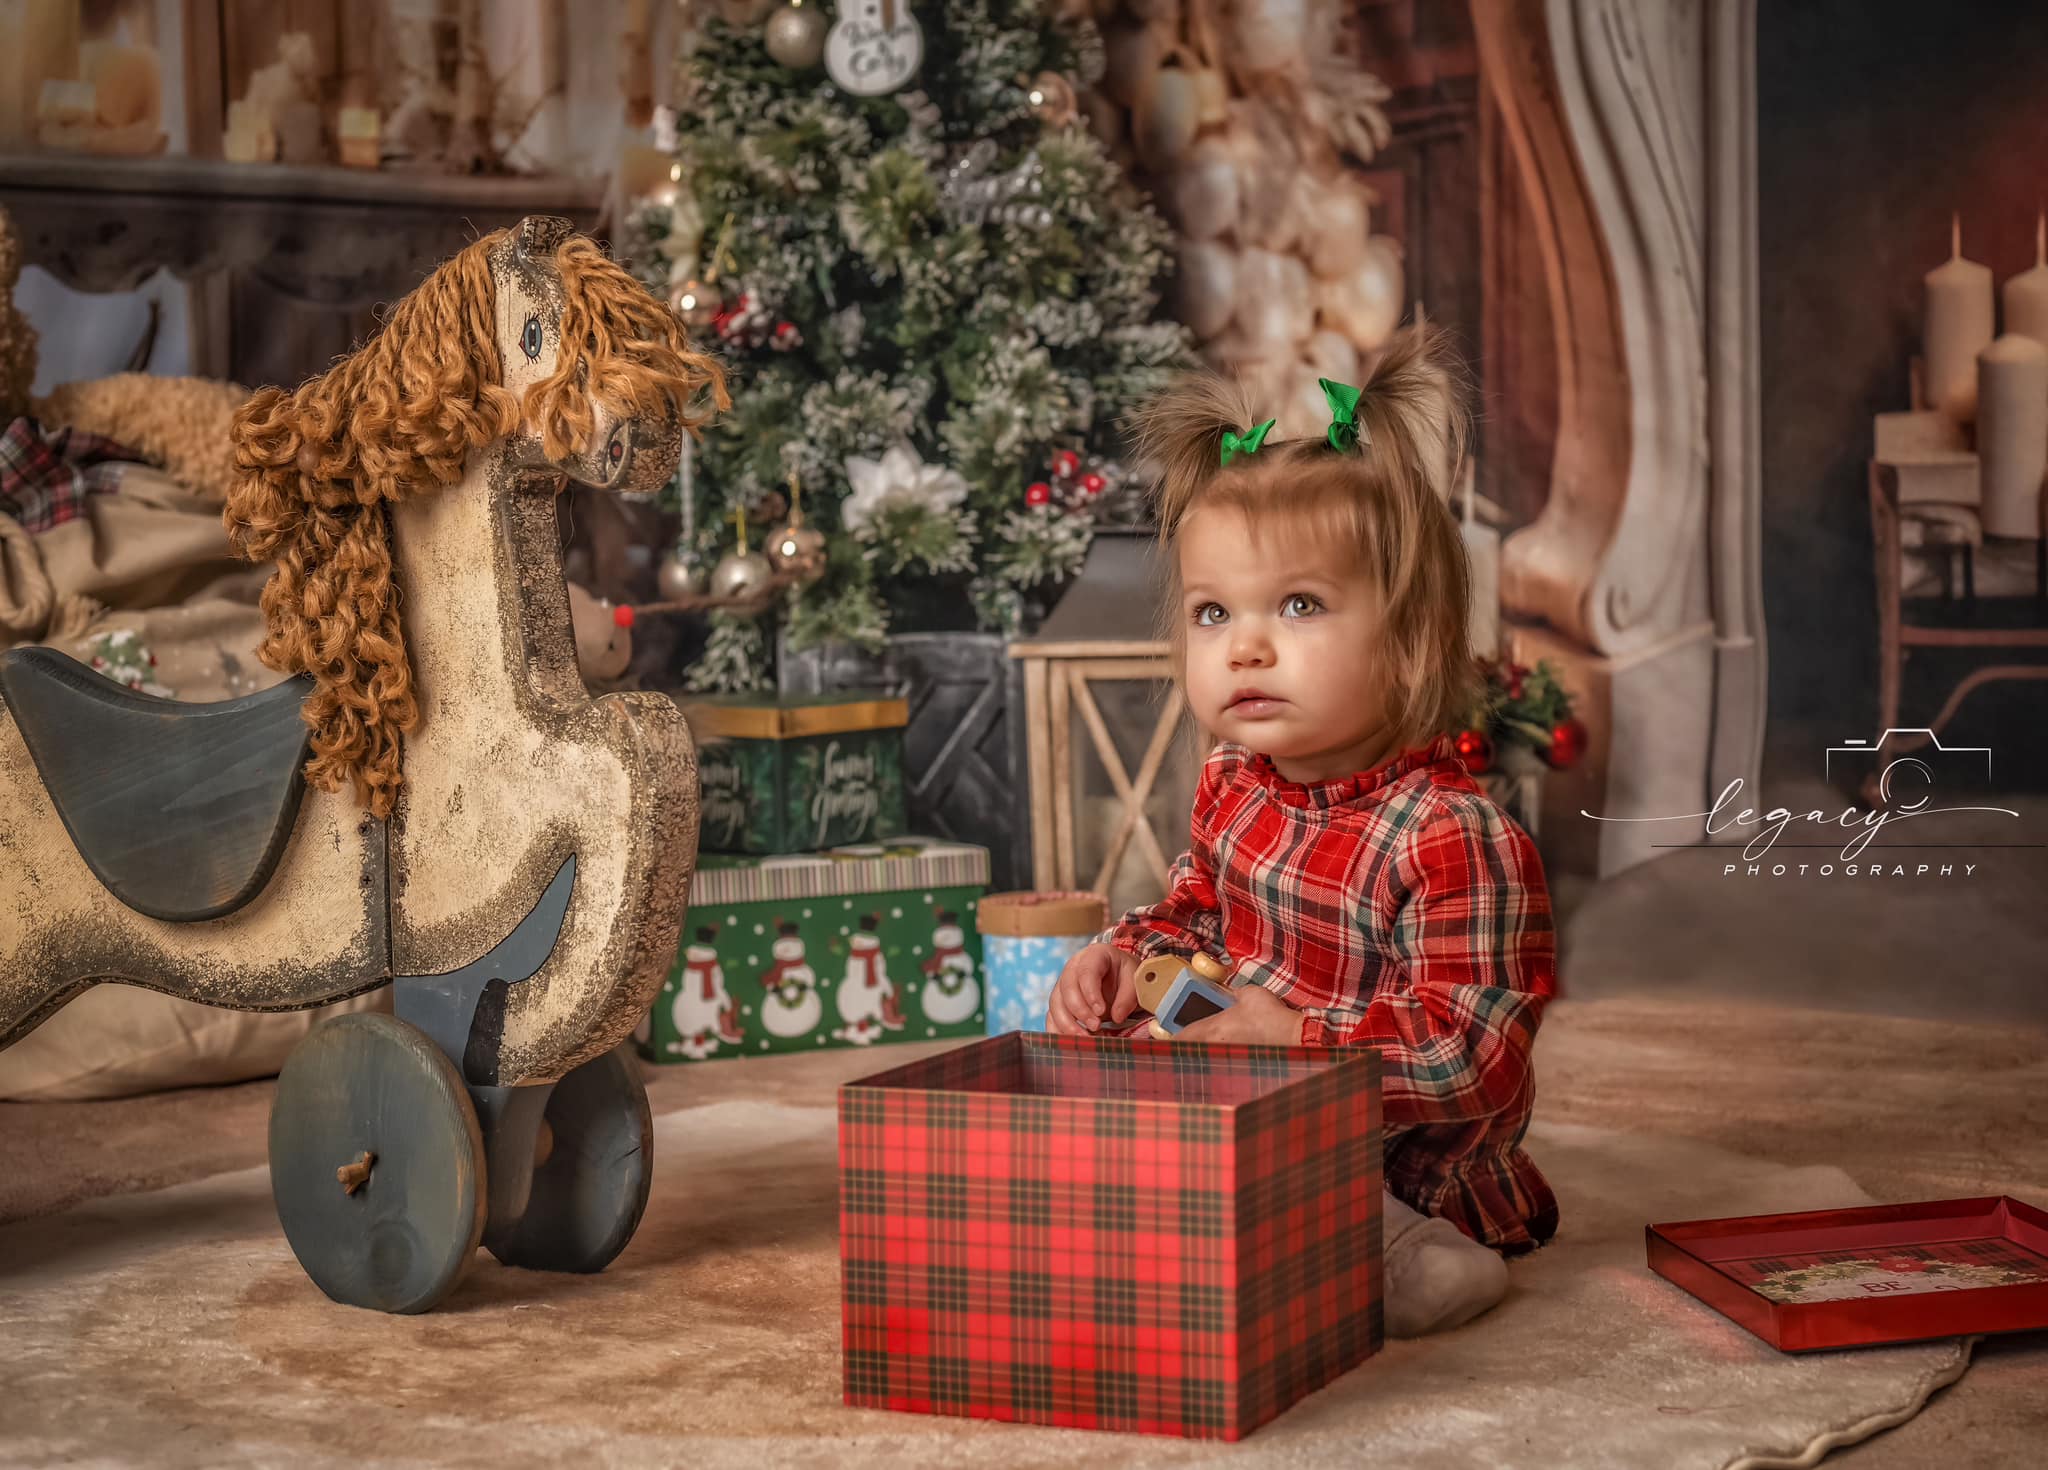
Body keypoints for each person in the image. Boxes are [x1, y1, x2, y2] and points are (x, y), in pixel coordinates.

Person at [1046, 326, 1558, 1337]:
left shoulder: (1451, 837)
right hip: (1250, 1076)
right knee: (1109, 1082)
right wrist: (1125, 954)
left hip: (1392, 1154)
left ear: (1408, 641)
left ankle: (1394, 1249)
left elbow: (1470, 1057)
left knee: (1241, 1161)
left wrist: (1295, 1041)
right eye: (1208, 613)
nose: (1243, 646)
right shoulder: (1237, 780)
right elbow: (1198, 913)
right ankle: (1162, 1206)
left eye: (1296, 604)